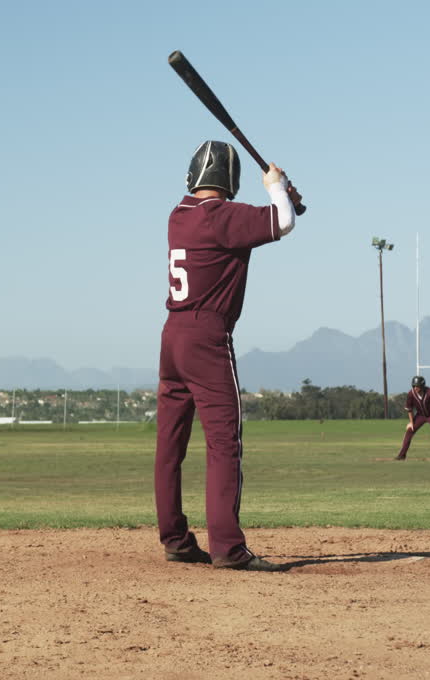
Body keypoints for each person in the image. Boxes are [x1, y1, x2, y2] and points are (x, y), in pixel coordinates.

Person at [156, 140, 304, 572]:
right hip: (207, 336)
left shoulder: (178, 216)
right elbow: (283, 224)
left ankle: (176, 539)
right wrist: (276, 186)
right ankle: (228, 548)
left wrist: (280, 198)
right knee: (224, 443)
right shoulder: (222, 217)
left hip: (172, 336)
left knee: (170, 445)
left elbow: (272, 218)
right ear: (231, 181)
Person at [396, 375, 430, 460]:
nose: (415, 388)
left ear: (422, 386)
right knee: (409, 431)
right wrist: (411, 423)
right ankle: (401, 455)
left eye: (417, 386)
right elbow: (409, 409)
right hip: (420, 415)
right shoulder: (411, 394)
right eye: (414, 386)